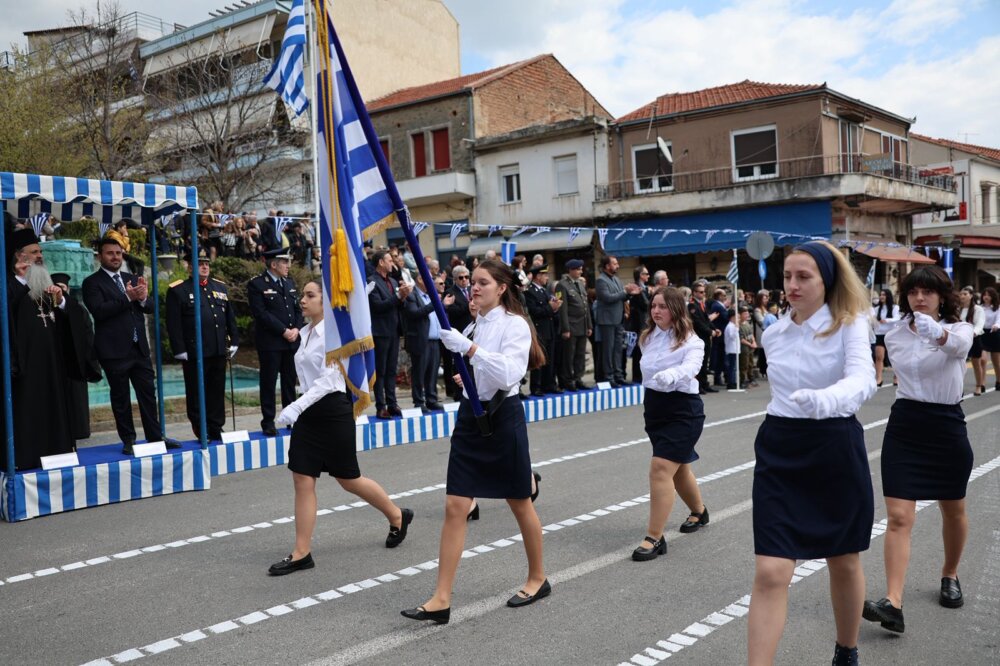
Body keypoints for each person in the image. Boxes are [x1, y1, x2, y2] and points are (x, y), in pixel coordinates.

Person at [746, 240, 876, 666]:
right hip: (781, 449)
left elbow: (863, 379)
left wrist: (828, 400)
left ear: (827, 279)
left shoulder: (850, 322)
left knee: (843, 558)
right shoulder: (774, 332)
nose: (793, 285)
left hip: (834, 445)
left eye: (804, 277)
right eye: (787, 277)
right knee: (771, 570)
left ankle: (847, 649)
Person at [401, 259, 547, 625]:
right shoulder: (474, 324)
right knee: (455, 505)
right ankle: (441, 598)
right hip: (470, 419)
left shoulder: (515, 325)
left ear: (502, 288)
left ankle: (537, 577)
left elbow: (511, 372)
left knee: (519, 502)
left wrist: (469, 350)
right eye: (472, 283)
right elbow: (482, 375)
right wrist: (468, 373)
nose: (475, 288)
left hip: (503, 419)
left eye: (483, 282)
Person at [268, 281, 413, 576]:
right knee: (302, 479)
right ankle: (301, 552)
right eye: (303, 295)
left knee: (348, 479)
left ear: (326, 302)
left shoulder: (336, 337)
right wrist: (299, 407)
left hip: (332, 412)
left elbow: (328, 381)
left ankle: (397, 515)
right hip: (309, 414)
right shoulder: (306, 332)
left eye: (311, 295)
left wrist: (295, 406)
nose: (303, 300)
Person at [862, 266, 975, 635]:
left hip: (946, 425)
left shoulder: (960, 329)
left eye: (928, 291)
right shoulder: (895, 334)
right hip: (907, 423)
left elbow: (956, 347)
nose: (920, 298)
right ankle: (893, 603)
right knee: (898, 517)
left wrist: (931, 328)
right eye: (913, 292)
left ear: (943, 295)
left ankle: (950, 573)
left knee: (953, 508)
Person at [0, 230, 97, 471]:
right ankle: (27, 459)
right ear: (19, 258)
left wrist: (63, 301)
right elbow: (10, 315)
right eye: (35, 252)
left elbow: (75, 321)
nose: (40, 256)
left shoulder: (45, 286)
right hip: (25, 371)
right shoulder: (9, 286)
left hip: (53, 369)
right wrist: (23, 282)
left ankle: (59, 454)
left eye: (40, 252)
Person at [82, 238, 181, 454]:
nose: (115, 257)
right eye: (110, 253)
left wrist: (144, 298)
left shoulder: (131, 278)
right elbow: (99, 311)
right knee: (121, 398)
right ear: (100, 256)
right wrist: (128, 296)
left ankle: (156, 437)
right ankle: (128, 440)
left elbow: (149, 307)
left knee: (148, 395)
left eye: (118, 253)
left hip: (139, 348)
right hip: (113, 351)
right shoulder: (92, 283)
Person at [631, 287, 709, 562]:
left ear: (676, 309)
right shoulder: (648, 337)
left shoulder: (692, 341)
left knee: (661, 467)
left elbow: (691, 368)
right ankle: (699, 511)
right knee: (679, 468)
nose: (656, 311)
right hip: (655, 409)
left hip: (683, 410)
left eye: (662, 306)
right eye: (654, 305)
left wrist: (672, 375)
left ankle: (654, 537)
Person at [166, 249, 240, 441]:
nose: (205, 266)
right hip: (194, 351)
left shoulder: (220, 288)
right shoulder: (178, 290)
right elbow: (173, 323)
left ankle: (216, 426)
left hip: (217, 348)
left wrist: (235, 340)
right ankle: (201, 428)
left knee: (216, 390)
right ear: (190, 268)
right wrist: (179, 349)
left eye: (207, 263)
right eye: (200, 264)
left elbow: (229, 317)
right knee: (197, 391)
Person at [248, 249, 304, 436]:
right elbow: (261, 314)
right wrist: (283, 330)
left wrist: (296, 328)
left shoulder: (289, 283)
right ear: (274, 265)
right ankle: (268, 421)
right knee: (269, 382)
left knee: (290, 382)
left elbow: (297, 309)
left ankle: (290, 417)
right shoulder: (257, 284)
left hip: (291, 341)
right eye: (284, 262)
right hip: (271, 342)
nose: (288, 266)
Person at [368, 249, 412, 418]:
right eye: (389, 260)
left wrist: (404, 296)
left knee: (392, 369)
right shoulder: (371, 282)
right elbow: (378, 306)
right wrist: (398, 296)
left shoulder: (393, 281)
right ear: (381, 262)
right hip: (380, 332)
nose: (392, 263)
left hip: (394, 331)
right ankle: (381, 406)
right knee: (381, 370)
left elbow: (400, 306)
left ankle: (392, 403)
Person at [403, 274, 446, 413]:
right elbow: (414, 313)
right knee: (419, 373)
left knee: (432, 372)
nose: (432, 282)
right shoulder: (412, 296)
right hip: (421, 341)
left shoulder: (429, 296)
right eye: (429, 279)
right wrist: (434, 304)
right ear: (420, 279)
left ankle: (431, 399)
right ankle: (419, 401)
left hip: (434, 340)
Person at [595, 255, 640, 387]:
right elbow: (607, 298)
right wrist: (625, 291)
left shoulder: (616, 279)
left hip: (618, 319)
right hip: (607, 320)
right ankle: (609, 377)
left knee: (618, 350)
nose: (617, 266)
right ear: (607, 266)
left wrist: (631, 293)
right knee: (608, 350)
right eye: (614, 264)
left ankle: (618, 375)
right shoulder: (601, 280)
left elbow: (622, 296)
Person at [524, 264, 562, 396]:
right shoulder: (529, 292)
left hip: (549, 329)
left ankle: (549, 384)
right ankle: (536, 387)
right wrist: (551, 308)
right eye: (545, 275)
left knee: (549, 359)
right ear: (538, 276)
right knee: (539, 361)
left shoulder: (544, 291)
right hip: (539, 330)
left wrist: (556, 307)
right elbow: (534, 312)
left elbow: (550, 310)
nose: (547, 277)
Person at [554, 259, 592, 391]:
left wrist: (589, 326)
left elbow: (585, 306)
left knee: (580, 355)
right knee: (568, 356)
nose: (580, 271)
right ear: (570, 270)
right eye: (578, 269)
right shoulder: (562, 285)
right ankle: (567, 380)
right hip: (570, 326)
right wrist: (565, 328)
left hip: (582, 326)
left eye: (581, 269)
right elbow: (562, 309)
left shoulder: (580, 284)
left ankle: (578, 378)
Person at [443, 265, 473, 400]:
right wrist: (469, 306)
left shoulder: (472, 290)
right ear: (455, 279)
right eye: (461, 278)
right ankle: (458, 393)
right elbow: (452, 311)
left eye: (467, 277)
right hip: (460, 331)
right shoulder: (450, 292)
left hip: (474, 330)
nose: (464, 280)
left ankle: (472, 389)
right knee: (459, 363)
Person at [687, 280, 717, 394]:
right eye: (700, 292)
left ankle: (704, 384)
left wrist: (714, 329)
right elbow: (698, 322)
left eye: (704, 292)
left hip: (705, 337)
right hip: (699, 337)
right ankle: (698, 386)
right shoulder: (692, 305)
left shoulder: (702, 304)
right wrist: (710, 331)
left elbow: (706, 319)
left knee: (705, 362)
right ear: (694, 293)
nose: (703, 294)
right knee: (699, 363)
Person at [958, 286, 986, 395]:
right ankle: (959, 388)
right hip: (961, 339)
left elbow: (980, 324)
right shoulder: (957, 308)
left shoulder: (978, 309)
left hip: (974, 338)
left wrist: (971, 333)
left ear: (971, 296)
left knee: (976, 363)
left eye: (965, 294)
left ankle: (979, 385)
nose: (962, 296)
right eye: (961, 294)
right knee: (959, 364)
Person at [872, 288, 900, 387]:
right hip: (879, 334)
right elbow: (872, 320)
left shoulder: (894, 307)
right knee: (879, 357)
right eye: (881, 295)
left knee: (894, 357)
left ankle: (897, 377)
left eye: (884, 295)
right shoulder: (876, 309)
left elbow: (897, 318)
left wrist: (887, 320)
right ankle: (879, 379)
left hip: (891, 334)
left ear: (888, 296)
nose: (881, 297)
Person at [628, 265, 651, 383]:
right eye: (646, 274)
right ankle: (637, 376)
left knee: (644, 351)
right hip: (639, 324)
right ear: (640, 276)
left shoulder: (644, 288)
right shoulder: (637, 288)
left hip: (644, 323)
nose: (648, 276)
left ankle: (642, 374)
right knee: (638, 351)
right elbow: (646, 305)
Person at [980, 286, 1000, 392]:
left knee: (996, 361)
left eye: (988, 295)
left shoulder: (997, 308)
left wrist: (996, 325)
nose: (986, 297)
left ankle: (998, 380)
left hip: (995, 333)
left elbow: (999, 319)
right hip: (983, 334)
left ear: (993, 296)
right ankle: (982, 383)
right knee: (983, 360)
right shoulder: (979, 308)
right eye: (984, 294)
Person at [708, 288, 730, 385]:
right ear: (719, 296)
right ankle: (718, 377)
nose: (725, 297)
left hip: (722, 334)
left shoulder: (720, 306)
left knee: (722, 356)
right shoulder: (717, 306)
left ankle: (721, 377)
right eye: (724, 295)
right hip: (720, 334)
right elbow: (726, 317)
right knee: (720, 357)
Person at [751, 290, 770, 378]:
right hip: (761, 332)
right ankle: (762, 369)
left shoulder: (766, 309)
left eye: (767, 298)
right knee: (762, 351)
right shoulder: (757, 310)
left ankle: (765, 368)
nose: (766, 300)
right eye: (764, 298)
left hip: (768, 331)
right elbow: (761, 321)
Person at [738, 306, 758, 387]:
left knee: (750, 363)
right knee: (744, 364)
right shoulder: (739, 325)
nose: (747, 315)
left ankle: (751, 378)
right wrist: (750, 344)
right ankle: (743, 380)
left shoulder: (748, 324)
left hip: (750, 347)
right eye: (745, 314)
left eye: (747, 314)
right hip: (744, 348)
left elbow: (751, 334)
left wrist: (754, 342)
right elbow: (741, 339)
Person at [723, 309, 739, 389]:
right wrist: (736, 328)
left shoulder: (732, 326)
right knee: (732, 367)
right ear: (732, 317)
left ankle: (733, 381)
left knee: (733, 367)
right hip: (731, 349)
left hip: (734, 349)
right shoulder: (730, 326)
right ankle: (731, 382)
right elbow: (732, 336)